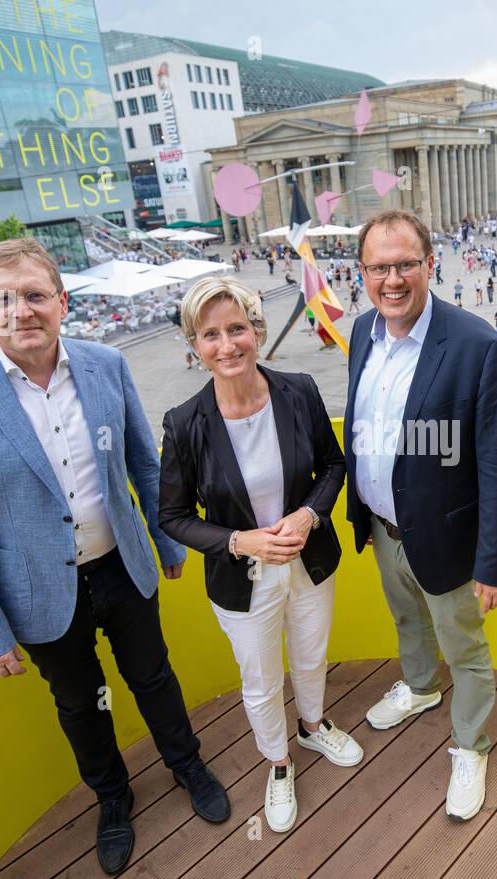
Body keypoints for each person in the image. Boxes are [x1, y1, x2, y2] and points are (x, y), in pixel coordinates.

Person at [0, 237, 229, 876]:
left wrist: (167, 540)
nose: (22, 311)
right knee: (80, 704)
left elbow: (145, 462)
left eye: (35, 295)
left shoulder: (104, 364)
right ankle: (112, 799)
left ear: (60, 302)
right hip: (36, 591)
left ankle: (186, 763)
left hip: (123, 565)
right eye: (5, 299)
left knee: (154, 677)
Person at [159, 276, 359, 833]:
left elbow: (335, 465)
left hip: (309, 560)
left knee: (312, 656)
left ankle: (314, 727)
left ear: (257, 330)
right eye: (211, 334)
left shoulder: (298, 389)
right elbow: (172, 518)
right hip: (241, 580)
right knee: (261, 680)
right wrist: (238, 541)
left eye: (237, 329)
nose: (227, 345)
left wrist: (307, 514)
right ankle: (278, 763)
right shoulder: (183, 423)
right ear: (195, 345)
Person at [346, 210, 497, 821]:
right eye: (378, 267)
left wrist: (496, 564)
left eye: (404, 265)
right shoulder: (363, 332)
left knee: (464, 647)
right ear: (362, 273)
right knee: (408, 622)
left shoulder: (478, 346)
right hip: (382, 525)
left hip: (448, 539)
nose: (391, 279)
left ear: (429, 265)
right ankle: (421, 689)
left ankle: (471, 744)